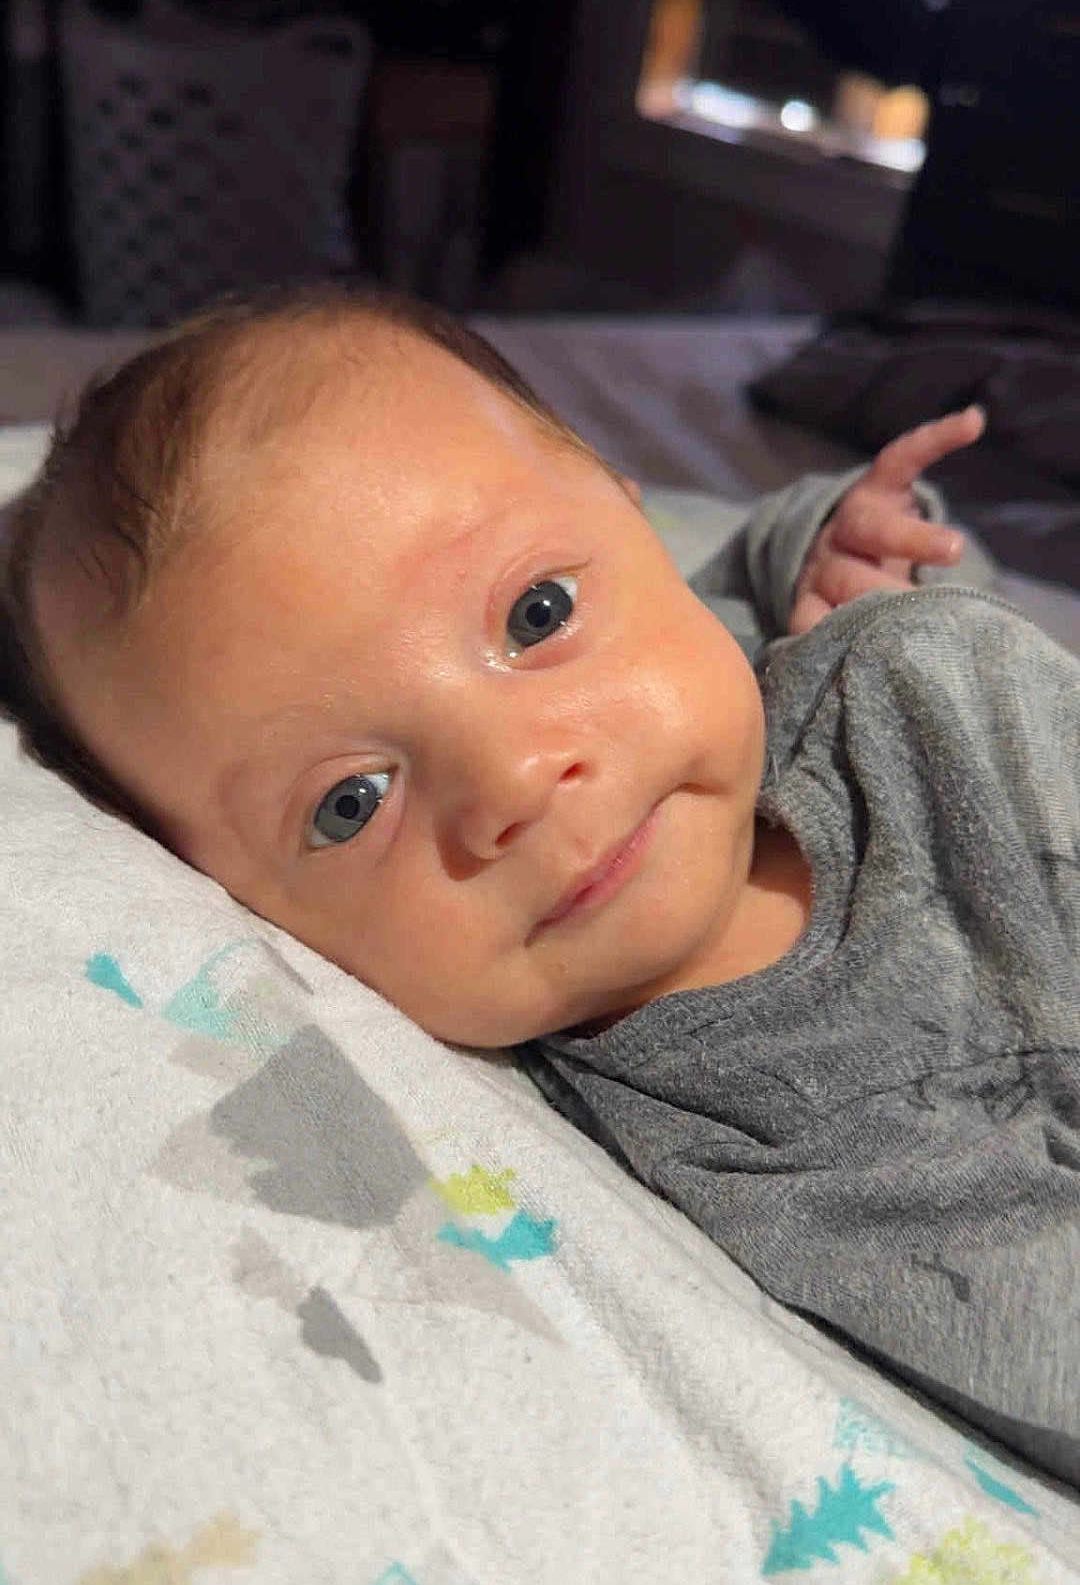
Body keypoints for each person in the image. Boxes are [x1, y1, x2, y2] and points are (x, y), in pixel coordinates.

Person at [2, 289, 1077, 1485]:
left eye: (536, 614)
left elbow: (742, 594)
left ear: (629, 514)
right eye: (351, 801)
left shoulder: (901, 685)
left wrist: (827, 538)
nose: (513, 777)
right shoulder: (736, 1157)